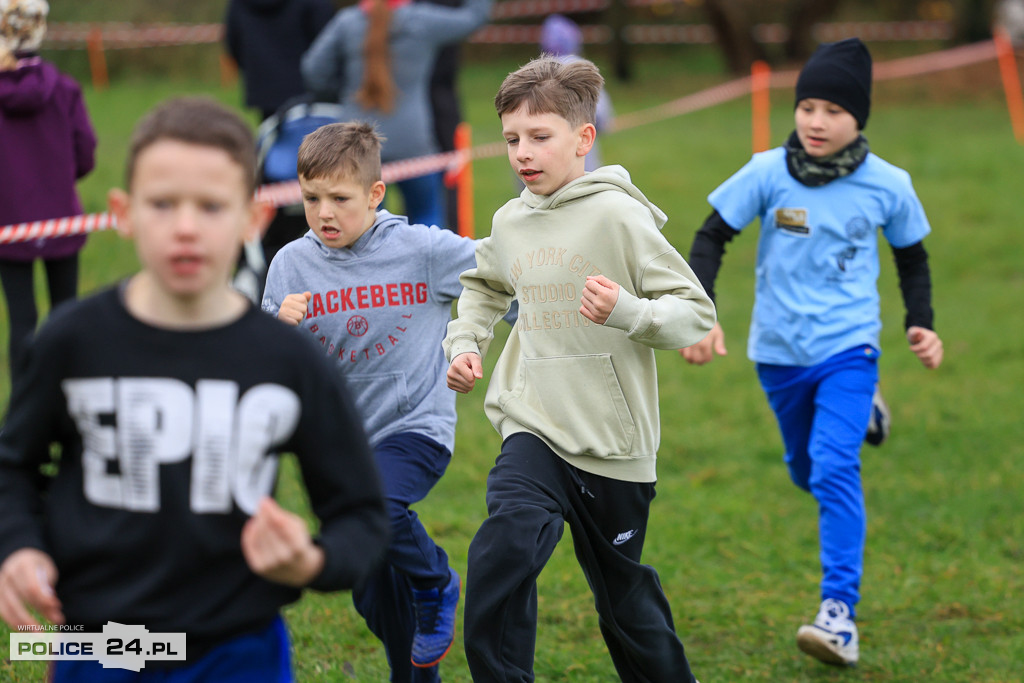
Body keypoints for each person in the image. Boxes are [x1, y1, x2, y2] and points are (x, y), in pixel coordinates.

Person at [0, 97, 389, 682]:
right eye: (162, 204)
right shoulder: (72, 341)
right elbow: (13, 466)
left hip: (237, 647)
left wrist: (313, 560)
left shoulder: (286, 359)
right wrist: (18, 545)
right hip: (101, 641)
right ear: (124, 213)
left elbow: (360, 513)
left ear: (253, 218)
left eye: (211, 206)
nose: (186, 227)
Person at [443, 56, 715, 682]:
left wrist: (629, 312)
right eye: (512, 139)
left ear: (583, 138)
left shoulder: (618, 216)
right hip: (532, 422)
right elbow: (483, 286)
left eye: (540, 137)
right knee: (503, 549)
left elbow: (694, 312)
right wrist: (465, 343)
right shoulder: (510, 220)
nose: (522, 153)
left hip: (611, 444)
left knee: (624, 604)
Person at [679, 37, 944, 667]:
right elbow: (710, 237)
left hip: (850, 347)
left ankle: (838, 615)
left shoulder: (889, 184)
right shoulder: (768, 172)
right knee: (805, 471)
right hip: (779, 351)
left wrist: (922, 324)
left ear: (859, 118)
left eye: (833, 110)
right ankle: (866, 414)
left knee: (831, 468)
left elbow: (912, 259)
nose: (816, 121)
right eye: (807, 107)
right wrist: (700, 312)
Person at [261, 121, 472, 682]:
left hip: (414, 427)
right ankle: (415, 669)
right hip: (340, 445)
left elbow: (500, 277)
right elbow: (264, 364)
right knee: (374, 588)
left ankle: (437, 583)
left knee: (381, 507)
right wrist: (277, 327)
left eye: (339, 199)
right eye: (311, 199)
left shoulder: (423, 250)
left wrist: (481, 339)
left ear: (376, 194)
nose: (323, 213)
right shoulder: (289, 266)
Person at [300, 0, 492, 229]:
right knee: (427, 221)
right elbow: (473, 19)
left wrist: (343, 92)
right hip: (413, 142)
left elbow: (313, 69)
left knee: (364, 228)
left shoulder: (347, 22)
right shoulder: (423, 21)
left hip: (356, 144)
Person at [0, 0, 96, 391]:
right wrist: (56, 180)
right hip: (61, 217)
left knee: (22, 319)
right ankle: (68, 395)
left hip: (8, 222)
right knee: (65, 313)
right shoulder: (66, 89)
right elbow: (85, 153)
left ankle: (24, 402)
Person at [224, 0, 336, 123]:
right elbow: (327, 43)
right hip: (308, 89)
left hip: (264, 86)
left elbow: (233, 41)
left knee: (271, 131)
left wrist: (254, 69)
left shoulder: (238, 3)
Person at [539, 13, 613, 171]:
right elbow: (600, 114)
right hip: (579, 156)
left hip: (541, 159)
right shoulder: (581, 70)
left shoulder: (536, 72)